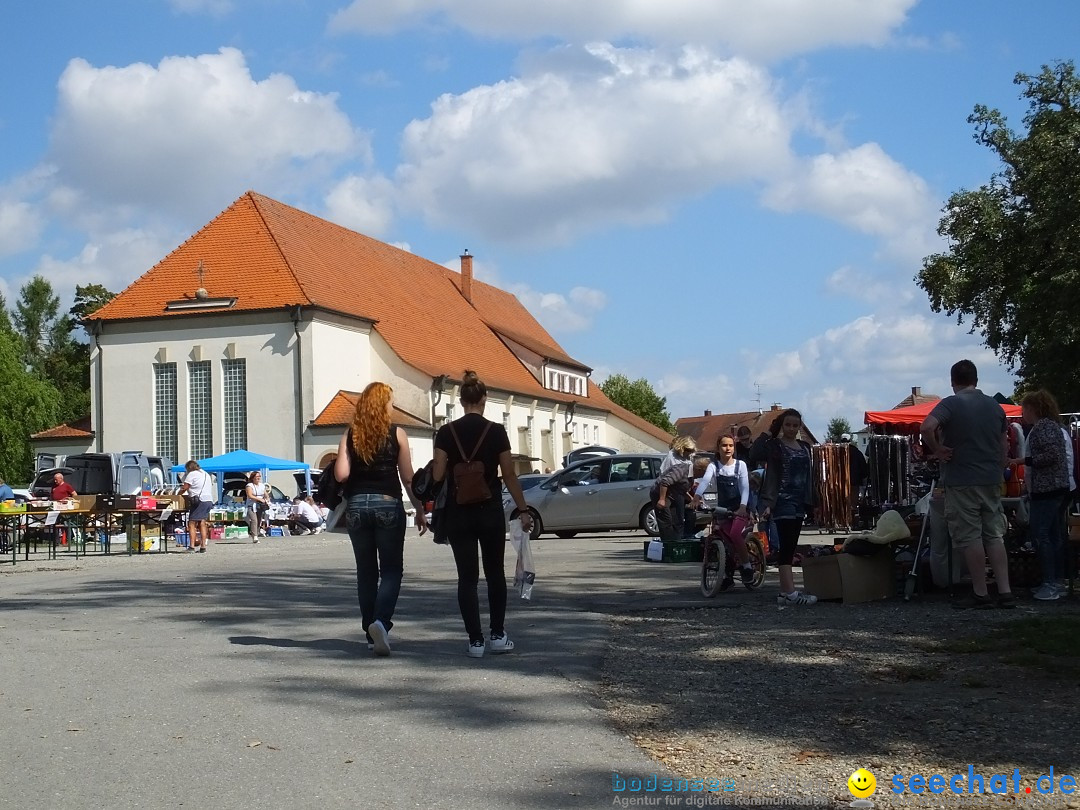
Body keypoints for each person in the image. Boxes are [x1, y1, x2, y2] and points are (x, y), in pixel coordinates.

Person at [432, 370, 532, 659]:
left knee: (467, 578)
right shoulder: (497, 431)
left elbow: (438, 474)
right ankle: (498, 635)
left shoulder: (446, 432)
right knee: (494, 574)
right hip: (488, 511)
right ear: (484, 399)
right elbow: (510, 474)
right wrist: (523, 509)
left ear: (461, 400)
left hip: (458, 513)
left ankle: (475, 641)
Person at [334, 381, 427, 657]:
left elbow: (341, 474)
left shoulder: (350, 435)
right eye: (390, 402)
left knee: (366, 572)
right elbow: (408, 478)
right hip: (388, 503)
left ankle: (369, 633)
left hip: (357, 509)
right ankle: (381, 622)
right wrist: (420, 509)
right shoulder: (397, 433)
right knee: (391, 570)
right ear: (383, 405)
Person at [919, 359, 1015, 609]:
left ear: (953, 382)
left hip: (961, 480)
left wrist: (938, 449)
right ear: (976, 379)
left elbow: (927, 426)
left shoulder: (951, 403)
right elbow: (1004, 443)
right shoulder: (995, 407)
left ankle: (980, 592)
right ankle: (1005, 591)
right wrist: (998, 465)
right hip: (991, 480)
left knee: (970, 536)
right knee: (994, 535)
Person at [758, 408, 817, 607]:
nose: (791, 429)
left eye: (795, 425)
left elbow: (810, 475)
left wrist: (812, 502)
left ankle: (785, 591)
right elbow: (754, 452)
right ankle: (790, 592)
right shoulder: (775, 445)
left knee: (790, 546)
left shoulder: (805, 447)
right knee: (787, 545)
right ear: (782, 426)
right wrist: (770, 430)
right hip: (782, 499)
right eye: (787, 425)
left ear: (800, 427)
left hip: (800, 500)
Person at [1018, 390, 1069, 601]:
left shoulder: (1042, 428)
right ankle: (1057, 581)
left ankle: (1050, 582)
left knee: (1041, 534)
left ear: (1033, 409)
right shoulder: (1052, 426)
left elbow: (1052, 455)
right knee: (1054, 535)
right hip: (1057, 488)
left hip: (1047, 489)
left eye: (1025, 409)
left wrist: (1024, 461)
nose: (1023, 414)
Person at [694, 435, 752, 586]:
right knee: (724, 541)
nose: (728, 448)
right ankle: (727, 575)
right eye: (724, 445)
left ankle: (747, 566)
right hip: (723, 508)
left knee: (735, 535)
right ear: (718, 448)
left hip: (740, 507)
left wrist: (743, 506)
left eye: (731, 445)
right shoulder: (714, 466)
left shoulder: (741, 465)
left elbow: (745, 487)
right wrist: (697, 496)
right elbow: (705, 480)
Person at [653, 436, 696, 543]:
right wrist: (662, 499)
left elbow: (685, 482)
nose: (689, 453)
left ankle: (677, 543)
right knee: (667, 520)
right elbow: (664, 479)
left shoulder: (688, 458)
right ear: (682, 448)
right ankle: (668, 544)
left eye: (691, 451)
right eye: (687, 450)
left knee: (679, 520)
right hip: (666, 491)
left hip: (678, 492)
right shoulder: (671, 456)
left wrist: (691, 498)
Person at [180, 460, 215, 553]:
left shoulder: (192, 474)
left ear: (188, 468)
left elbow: (185, 487)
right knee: (202, 523)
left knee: (192, 523)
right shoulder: (205, 473)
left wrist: (177, 494)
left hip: (199, 500)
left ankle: (191, 547)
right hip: (208, 500)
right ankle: (203, 546)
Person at [245, 471, 271, 543]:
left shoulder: (262, 485)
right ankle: (255, 536)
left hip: (260, 505)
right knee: (254, 520)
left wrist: (267, 499)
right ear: (253, 478)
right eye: (257, 476)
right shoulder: (249, 485)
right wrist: (259, 499)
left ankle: (256, 532)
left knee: (259, 520)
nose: (258, 478)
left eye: (259, 476)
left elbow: (265, 494)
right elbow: (250, 495)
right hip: (251, 505)